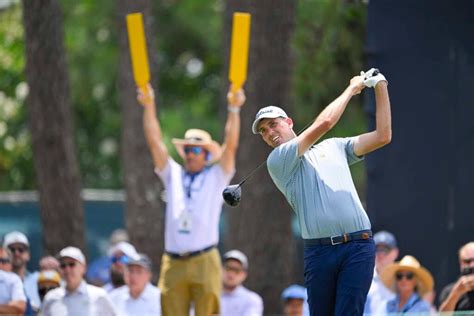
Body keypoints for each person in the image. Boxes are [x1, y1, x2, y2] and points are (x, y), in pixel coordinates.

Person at [252, 69, 391, 315]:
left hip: (358, 245)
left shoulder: (334, 146)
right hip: (319, 252)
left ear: (288, 122)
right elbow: (325, 123)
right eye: (263, 130)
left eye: (273, 124)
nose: (270, 133)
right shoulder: (278, 160)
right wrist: (352, 88)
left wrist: (380, 85)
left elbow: (382, 136)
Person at [137, 82, 246, 316]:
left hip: (205, 258)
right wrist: (148, 105)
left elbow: (231, 146)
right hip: (173, 261)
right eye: (187, 149)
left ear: (206, 154)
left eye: (195, 150)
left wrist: (234, 109)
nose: (189, 154)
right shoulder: (173, 173)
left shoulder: (218, 175)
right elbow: (155, 143)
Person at [41, 246, 117, 316]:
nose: (67, 269)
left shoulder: (99, 296)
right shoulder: (51, 298)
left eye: (72, 264)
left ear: (84, 267)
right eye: (63, 265)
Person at [3, 231, 39, 312]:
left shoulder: (38, 279)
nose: (16, 253)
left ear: (28, 255)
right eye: (11, 250)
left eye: (21, 249)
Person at [364, 230, 399, 315]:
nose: (381, 254)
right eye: (377, 249)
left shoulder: (404, 278)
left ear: (395, 252)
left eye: (386, 249)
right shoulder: (363, 277)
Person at [220, 250, 263, 315]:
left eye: (236, 270)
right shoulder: (210, 296)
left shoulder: (252, 299)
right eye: (228, 268)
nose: (231, 274)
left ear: (244, 275)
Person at [439, 241, 474, 312]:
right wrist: (456, 293)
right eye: (468, 261)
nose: (472, 265)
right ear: (461, 263)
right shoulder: (450, 291)